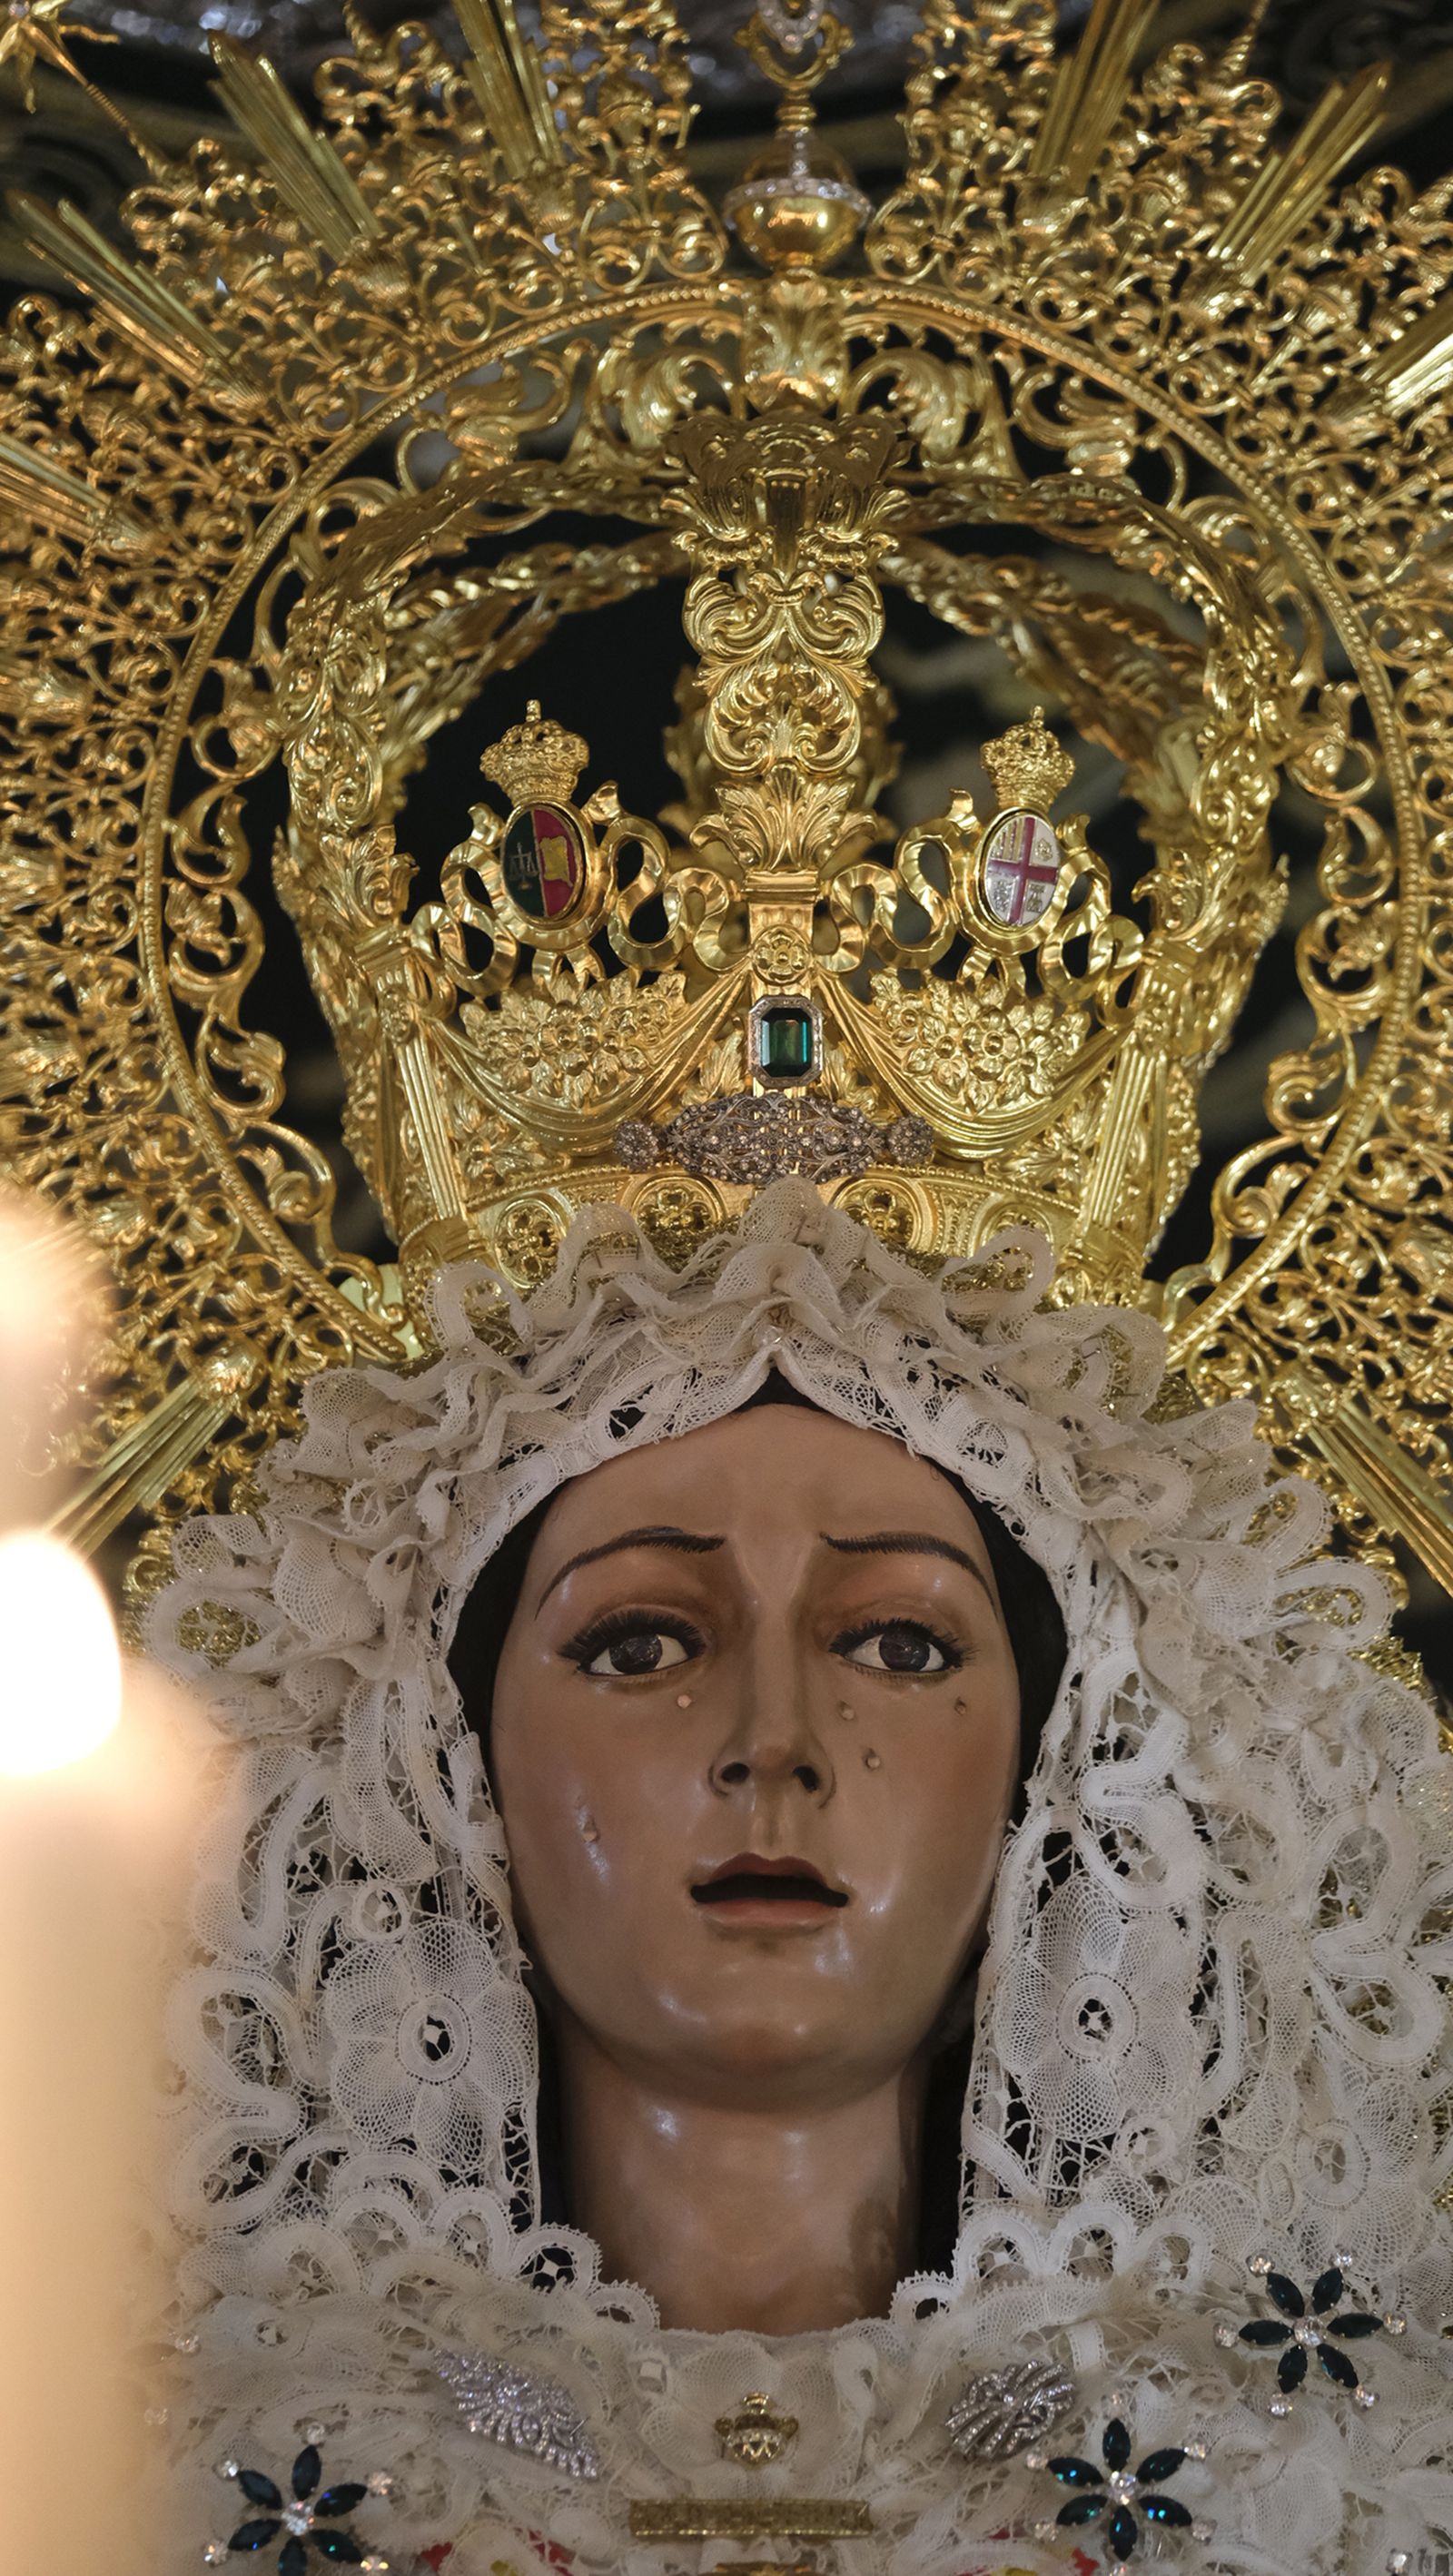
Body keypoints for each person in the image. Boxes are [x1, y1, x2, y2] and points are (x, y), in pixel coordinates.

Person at [153, 1183, 1451, 2576]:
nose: (774, 1742)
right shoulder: (198, 2486)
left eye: (896, 1645)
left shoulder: (1311, 2491)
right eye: (643, 1641)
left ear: (1063, 1775)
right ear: (447, 1767)